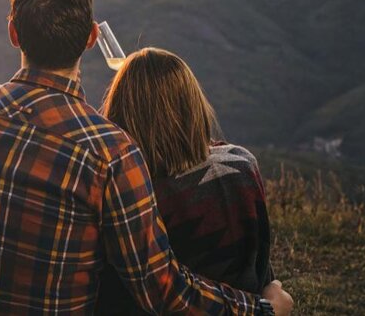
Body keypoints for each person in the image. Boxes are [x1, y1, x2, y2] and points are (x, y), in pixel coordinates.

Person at [0, 0, 293, 315]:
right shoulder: (112, 153)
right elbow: (162, 290)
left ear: (13, 33)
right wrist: (261, 309)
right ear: (92, 37)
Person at [95, 48, 275, 314]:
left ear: (120, 113)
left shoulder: (135, 193)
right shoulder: (241, 164)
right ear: (193, 104)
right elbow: (260, 259)